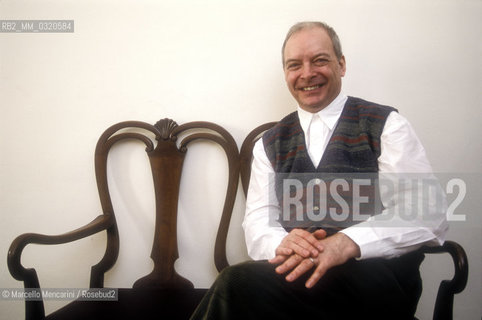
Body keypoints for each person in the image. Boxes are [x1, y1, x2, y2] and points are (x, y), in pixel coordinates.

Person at [190, 21, 448, 320]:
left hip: (378, 284)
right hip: (299, 280)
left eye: (320, 60)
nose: (307, 73)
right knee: (246, 292)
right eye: (294, 65)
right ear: (286, 74)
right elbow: (258, 223)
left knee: (235, 285)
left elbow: (430, 214)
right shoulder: (270, 144)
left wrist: (347, 243)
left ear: (341, 64)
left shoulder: (386, 125)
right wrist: (282, 242)